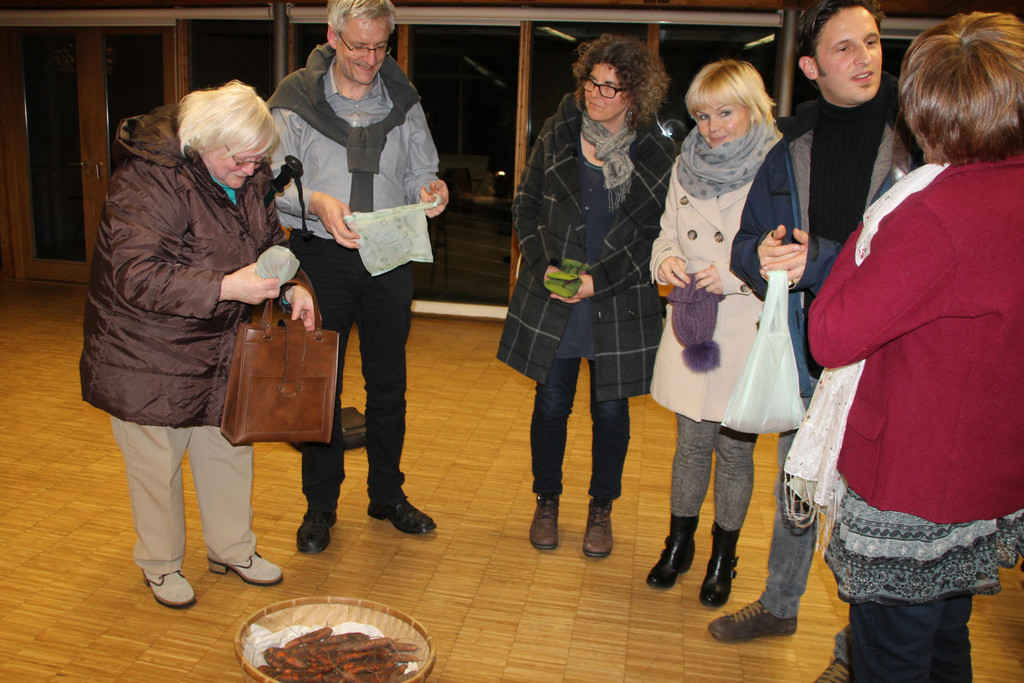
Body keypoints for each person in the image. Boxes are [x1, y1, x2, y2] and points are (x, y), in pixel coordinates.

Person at [808, 12, 1024, 680]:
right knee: (945, 643)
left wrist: (870, 229)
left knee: (892, 656)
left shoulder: (933, 214)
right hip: (981, 471)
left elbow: (831, 334)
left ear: (927, 111)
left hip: (914, 484)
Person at [718, 1, 915, 679]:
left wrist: (819, 259)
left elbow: (905, 264)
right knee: (796, 489)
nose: (865, 58)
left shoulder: (917, 141)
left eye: (872, 42)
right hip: (808, 351)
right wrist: (761, 255)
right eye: (844, 48)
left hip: (888, 356)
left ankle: (856, 649)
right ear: (809, 66)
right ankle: (780, 604)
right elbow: (747, 240)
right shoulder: (789, 147)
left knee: (868, 513)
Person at [80, 81, 315, 609]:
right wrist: (227, 286)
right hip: (148, 352)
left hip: (221, 343)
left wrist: (294, 286)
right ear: (204, 141)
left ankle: (232, 549)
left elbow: (269, 243)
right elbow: (134, 274)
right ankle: (161, 565)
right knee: (156, 465)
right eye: (241, 160)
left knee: (229, 448)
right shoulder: (149, 179)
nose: (251, 171)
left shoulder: (247, 172)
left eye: (258, 161)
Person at [267, 0, 449, 553]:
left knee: (388, 384)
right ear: (332, 37)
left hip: (389, 255)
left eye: (380, 46)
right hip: (321, 259)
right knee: (321, 384)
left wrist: (430, 189)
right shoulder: (294, 100)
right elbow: (270, 185)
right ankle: (320, 506)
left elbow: (421, 169)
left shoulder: (403, 99)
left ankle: (387, 495)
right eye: (359, 46)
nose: (371, 59)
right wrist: (315, 203)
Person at [498, 34, 675, 558]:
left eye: (611, 88)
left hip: (616, 298)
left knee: (611, 413)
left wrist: (601, 281)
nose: (597, 94)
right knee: (551, 404)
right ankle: (546, 501)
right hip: (558, 296)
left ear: (635, 94)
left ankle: (602, 508)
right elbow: (526, 206)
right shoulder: (560, 132)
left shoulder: (655, 153)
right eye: (592, 83)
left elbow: (653, 234)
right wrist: (545, 267)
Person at [645, 60, 778, 606]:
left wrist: (733, 275)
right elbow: (666, 232)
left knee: (735, 451)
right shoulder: (685, 165)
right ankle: (678, 544)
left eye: (725, 112)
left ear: (753, 107)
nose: (712, 127)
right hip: (693, 322)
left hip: (745, 322)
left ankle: (724, 557)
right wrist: (665, 261)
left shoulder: (777, 165)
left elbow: (787, 248)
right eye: (702, 115)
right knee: (690, 445)